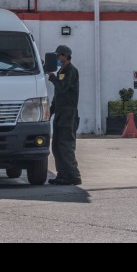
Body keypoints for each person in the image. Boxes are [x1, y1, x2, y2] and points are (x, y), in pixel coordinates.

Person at [47, 44, 82, 186]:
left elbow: (62, 88)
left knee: (66, 146)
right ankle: (62, 175)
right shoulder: (61, 70)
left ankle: (73, 176)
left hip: (68, 115)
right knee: (56, 146)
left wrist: (51, 76)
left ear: (66, 56)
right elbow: (58, 95)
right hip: (60, 114)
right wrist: (50, 111)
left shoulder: (71, 71)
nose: (57, 58)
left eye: (58, 55)